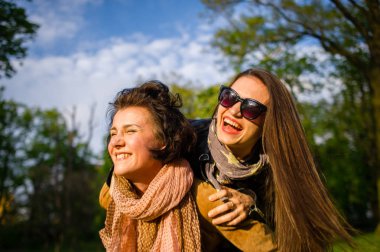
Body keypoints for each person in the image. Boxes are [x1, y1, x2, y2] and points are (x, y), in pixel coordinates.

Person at [189, 68, 354, 251]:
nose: (234, 111)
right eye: (229, 97)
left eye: (251, 108)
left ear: (269, 124)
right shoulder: (184, 137)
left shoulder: (281, 175)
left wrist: (253, 204)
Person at [99, 81, 201, 251]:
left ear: (163, 141)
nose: (116, 142)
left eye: (130, 131)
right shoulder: (110, 197)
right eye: (113, 133)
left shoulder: (204, 199)